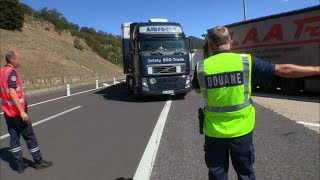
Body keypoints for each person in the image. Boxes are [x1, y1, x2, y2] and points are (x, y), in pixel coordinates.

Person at [192, 27, 320, 180]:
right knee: (245, 173)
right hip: (242, 130)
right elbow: (283, 70)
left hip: (214, 132)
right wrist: (315, 69)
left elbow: (198, 90)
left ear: (210, 44)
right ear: (231, 42)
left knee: (217, 173)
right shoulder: (245, 61)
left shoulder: (201, 67)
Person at [0, 51, 53, 173]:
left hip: (8, 113)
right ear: (12, 60)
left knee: (14, 138)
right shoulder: (11, 72)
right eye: (18, 59)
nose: (20, 61)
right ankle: (38, 162)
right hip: (17, 112)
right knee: (29, 137)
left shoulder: (1, 71)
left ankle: (19, 164)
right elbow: (12, 92)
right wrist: (22, 112)